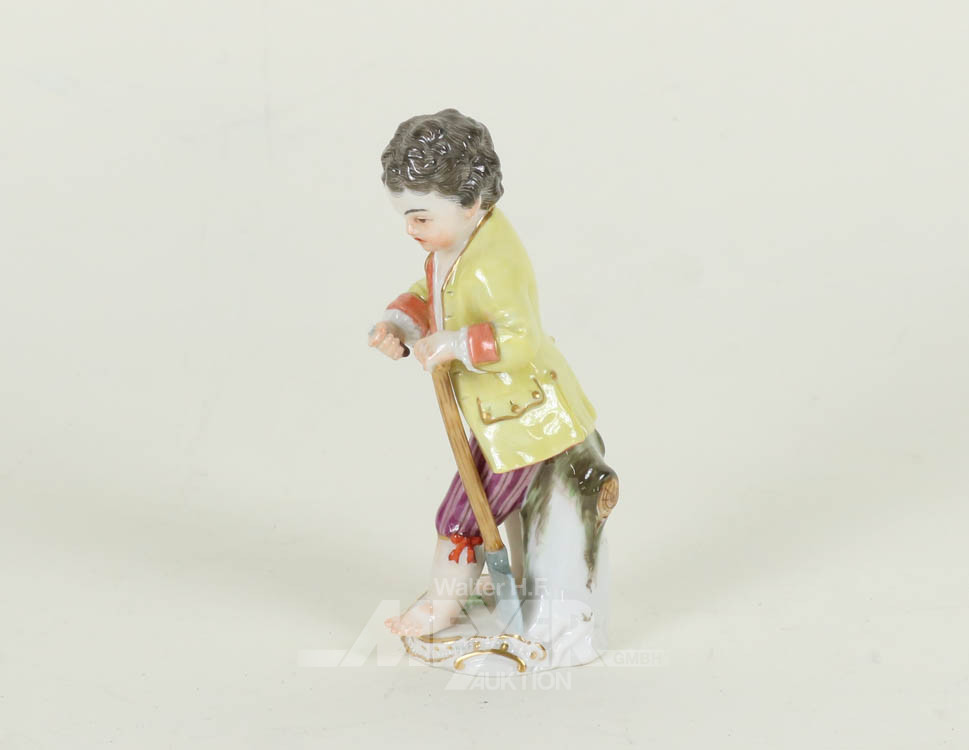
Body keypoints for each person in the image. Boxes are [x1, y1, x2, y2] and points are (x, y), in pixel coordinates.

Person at [368, 109, 613, 636]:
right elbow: (434, 294)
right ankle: (510, 589)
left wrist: (455, 344)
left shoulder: (491, 264)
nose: (410, 229)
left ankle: (443, 605)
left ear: (471, 202)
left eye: (420, 217)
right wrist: (399, 324)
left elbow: (520, 338)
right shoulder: (458, 240)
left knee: (464, 514)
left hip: (526, 419)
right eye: (406, 215)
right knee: (485, 512)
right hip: (497, 413)